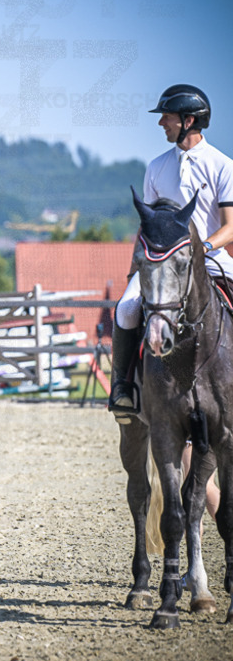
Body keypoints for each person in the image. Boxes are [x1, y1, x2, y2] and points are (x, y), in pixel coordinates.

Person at [109, 84, 233, 420]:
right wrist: (138, 267)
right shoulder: (157, 167)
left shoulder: (222, 166)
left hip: (210, 261)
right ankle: (123, 387)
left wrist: (203, 247)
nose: (161, 122)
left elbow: (230, 226)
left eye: (167, 117)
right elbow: (146, 225)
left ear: (188, 120)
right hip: (161, 267)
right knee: (126, 308)